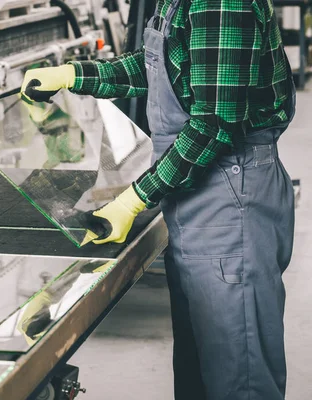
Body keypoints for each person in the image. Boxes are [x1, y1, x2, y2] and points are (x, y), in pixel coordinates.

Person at [20, 0, 297, 397]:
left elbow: (214, 124)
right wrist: (74, 75)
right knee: (201, 367)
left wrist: (133, 199)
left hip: (231, 197)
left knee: (239, 375)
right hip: (197, 192)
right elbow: (163, 64)